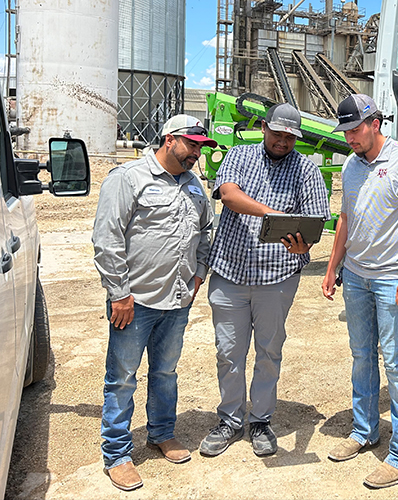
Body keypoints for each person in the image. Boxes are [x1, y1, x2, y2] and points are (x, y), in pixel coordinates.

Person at [93, 114, 217, 491]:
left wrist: (198, 276)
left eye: (201, 146)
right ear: (169, 140)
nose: (197, 152)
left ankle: (162, 433)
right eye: (192, 144)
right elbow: (107, 238)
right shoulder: (128, 179)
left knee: (165, 373)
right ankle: (117, 454)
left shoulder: (194, 185)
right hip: (135, 302)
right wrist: (120, 294)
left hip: (177, 301)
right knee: (122, 379)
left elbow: (207, 231)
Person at [199, 103, 330, 458]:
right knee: (229, 352)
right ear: (263, 126)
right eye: (277, 134)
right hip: (230, 271)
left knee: (269, 351)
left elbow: (316, 219)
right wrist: (273, 213)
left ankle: (260, 420)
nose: (283, 142)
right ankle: (229, 418)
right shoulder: (239, 156)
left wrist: (305, 239)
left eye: (290, 137)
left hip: (278, 275)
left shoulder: (306, 169)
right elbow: (228, 194)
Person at [322, 94, 398, 489]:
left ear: (375, 123)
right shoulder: (351, 165)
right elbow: (345, 219)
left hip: (391, 279)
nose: (349, 137)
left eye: (355, 129)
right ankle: (365, 429)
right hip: (356, 276)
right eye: (345, 131)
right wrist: (334, 267)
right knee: (361, 356)